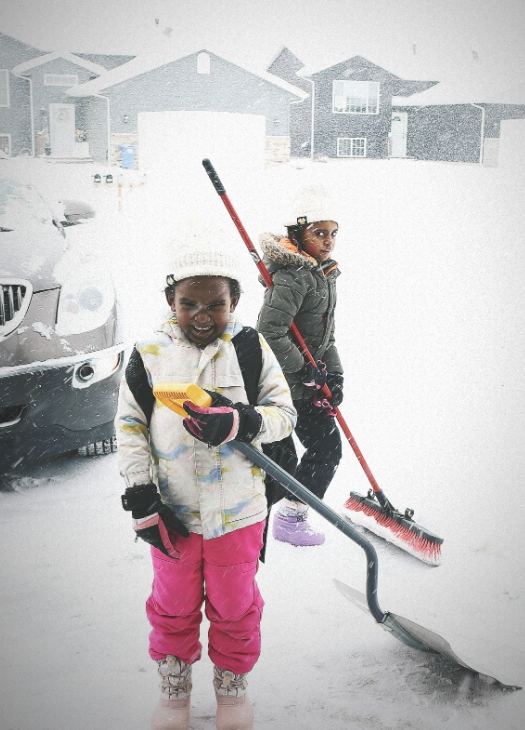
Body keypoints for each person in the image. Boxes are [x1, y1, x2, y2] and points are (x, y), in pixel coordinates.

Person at [116, 239, 296, 730]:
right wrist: (140, 493)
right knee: (172, 606)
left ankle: (232, 690)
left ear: (234, 301)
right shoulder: (149, 353)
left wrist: (241, 420)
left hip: (238, 512)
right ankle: (174, 692)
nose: (201, 315)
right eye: (188, 303)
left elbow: (284, 414)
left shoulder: (249, 348)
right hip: (172, 510)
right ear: (170, 301)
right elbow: (130, 426)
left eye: (216, 304)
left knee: (235, 606)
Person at [257, 184, 343, 547]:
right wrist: (304, 370)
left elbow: (325, 338)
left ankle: (289, 516)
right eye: (319, 232)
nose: (328, 240)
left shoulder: (324, 273)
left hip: (309, 383)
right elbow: (269, 331)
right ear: (297, 233)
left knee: (324, 450)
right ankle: (274, 520)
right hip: (284, 386)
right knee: (302, 455)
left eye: (333, 233)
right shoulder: (293, 276)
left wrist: (334, 375)